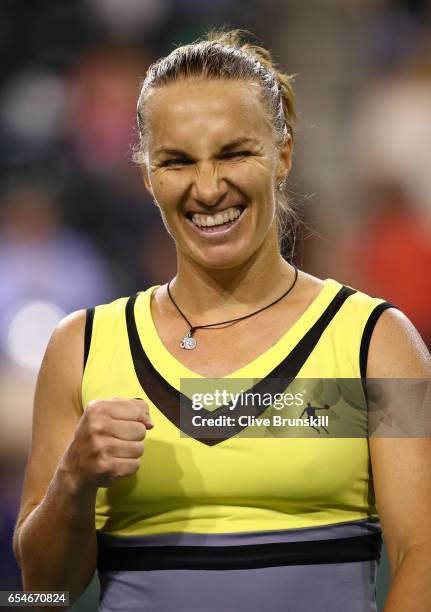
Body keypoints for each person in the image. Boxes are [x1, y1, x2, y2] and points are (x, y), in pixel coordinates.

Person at [13, 30, 431, 612]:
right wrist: (73, 482)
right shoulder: (79, 347)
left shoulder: (378, 342)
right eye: (177, 161)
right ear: (147, 175)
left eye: (235, 153)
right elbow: (43, 594)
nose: (208, 188)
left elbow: (424, 558)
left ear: (282, 154)